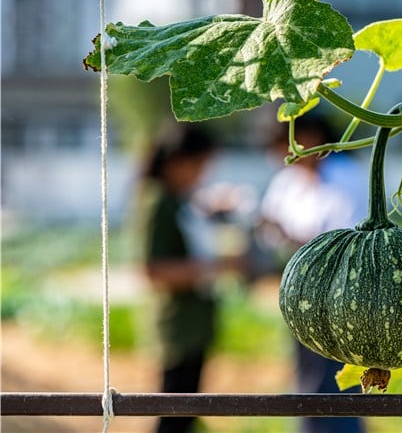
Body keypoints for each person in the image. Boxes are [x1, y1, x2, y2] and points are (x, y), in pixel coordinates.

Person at [257, 113, 367, 433]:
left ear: (309, 136)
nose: (278, 155)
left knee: (334, 380)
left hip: (342, 298)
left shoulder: (346, 175)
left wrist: (288, 237)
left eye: (282, 145)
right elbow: (268, 227)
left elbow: (349, 242)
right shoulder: (289, 180)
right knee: (309, 376)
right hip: (301, 296)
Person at [141, 122, 246, 433]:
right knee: (173, 417)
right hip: (178, 328)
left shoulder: (179, 199)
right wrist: (218, 266)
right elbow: (153, 269)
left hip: (193, 325)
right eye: (200, 165)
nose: (202, 174)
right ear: (177, 161)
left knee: (184, 414)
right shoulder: (158, 201)